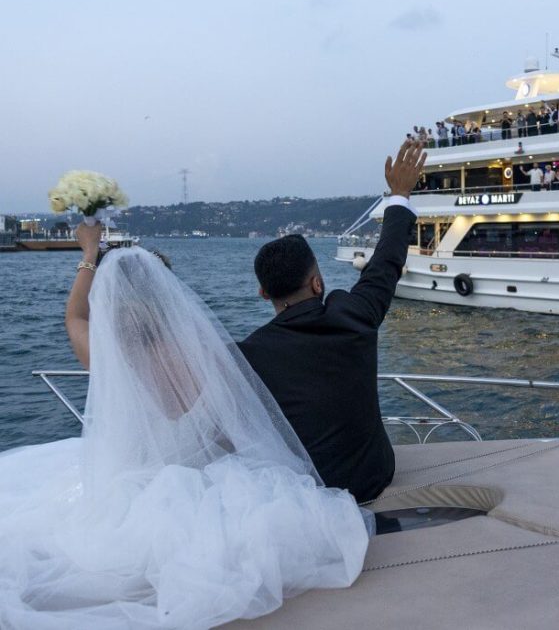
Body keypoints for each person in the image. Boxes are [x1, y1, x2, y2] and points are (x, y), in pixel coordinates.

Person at [0, 222, 371, 627]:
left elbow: (74, 316)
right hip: (198, 489)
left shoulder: (104, 354)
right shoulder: (205, 356)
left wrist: (89, 253)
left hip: (126, 488)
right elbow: (228, 433)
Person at [239, 140, 425, 503]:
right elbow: (386, 263)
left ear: (263, 293)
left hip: (304, 492)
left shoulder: (249, 355)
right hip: (373, 479)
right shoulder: (353, 316)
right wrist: (399, 195)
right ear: (317, 283)